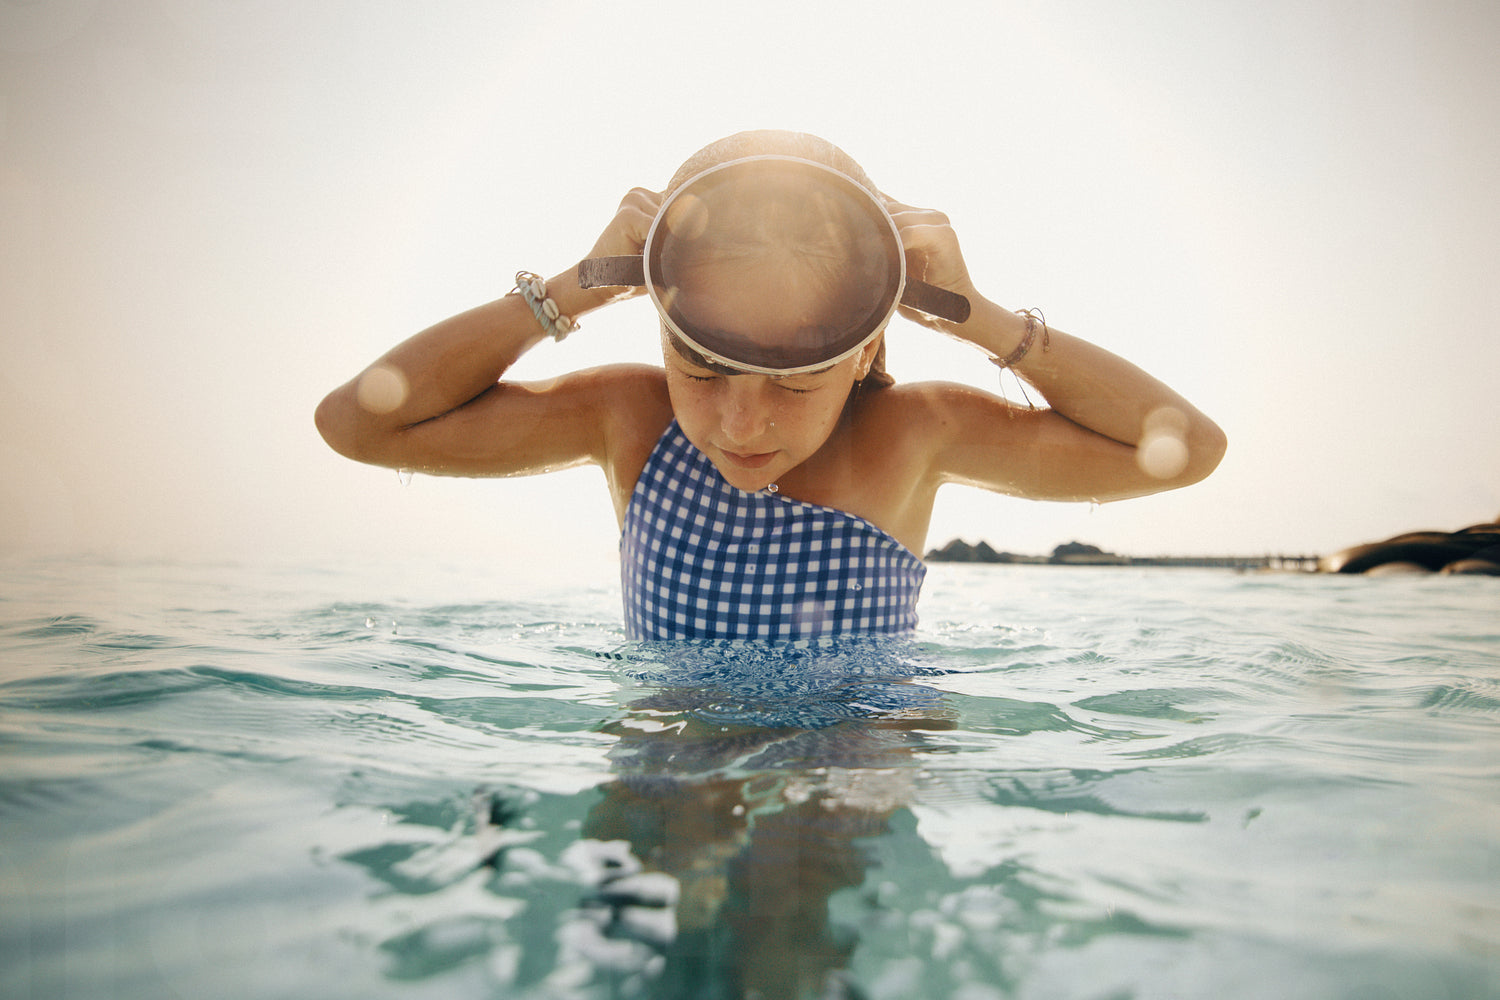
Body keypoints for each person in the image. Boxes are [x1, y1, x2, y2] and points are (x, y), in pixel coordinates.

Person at [315, 130, 1226, 640]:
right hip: (669, 789)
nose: (742, 423)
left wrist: (978, 317)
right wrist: (573, 288)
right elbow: (358, 423)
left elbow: (1186, 449)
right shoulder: (629, 421)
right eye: (701, 367)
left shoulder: (913, 435)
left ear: (862, 353)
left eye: (796, 382)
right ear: (661, 328)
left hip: (846, 798)